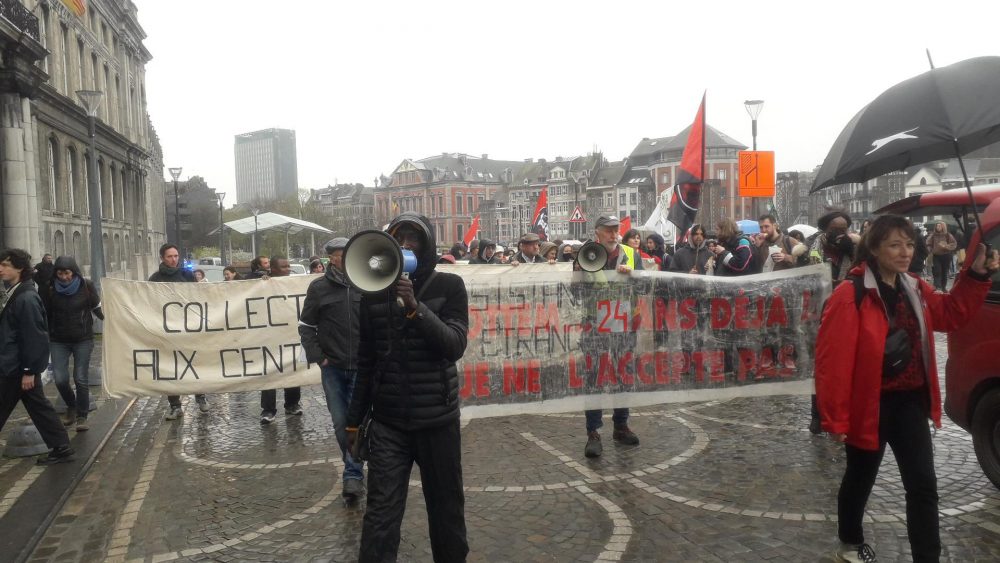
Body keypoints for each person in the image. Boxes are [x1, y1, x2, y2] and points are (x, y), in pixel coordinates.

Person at [816, 214, 998, 563]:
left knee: (923, 486)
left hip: (911, 402)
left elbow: (950, 313)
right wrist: (835, 420)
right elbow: (832, 363)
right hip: (870, 405)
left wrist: (977, 273)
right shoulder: (850, 294)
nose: (904, 252)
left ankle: (926, 557)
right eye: (895, 244)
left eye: (910, 244)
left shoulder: (915, 287)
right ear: (874, 248)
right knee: (860, 478)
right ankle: (851, 542)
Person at [346, 212, 469, 562]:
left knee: (446, 510)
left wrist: (415, 308)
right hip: (389, 424)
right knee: (381, 513)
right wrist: (354, 421)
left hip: (437, 422)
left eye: (414, 238)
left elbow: (453, 345)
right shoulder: (373, 294)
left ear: (427, 245)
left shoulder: (449, 287)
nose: (406, 245)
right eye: (400, 238)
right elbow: (366, 363)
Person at [299, 238, 365, 502]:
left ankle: (353, 474)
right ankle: (354, 462)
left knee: (355, 422)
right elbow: (306, 326)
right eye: (340, 255)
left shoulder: (366, 285)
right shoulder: (319, 289)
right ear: (331, 259)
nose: (344, 259)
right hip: (334, 368)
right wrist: (319, 357)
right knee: (340, 423)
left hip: (362, 367)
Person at [0, 249, 75, 465]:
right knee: (39, 407)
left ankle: (61, 447)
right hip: (16, 366)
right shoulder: (16, 293)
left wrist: (29, 371)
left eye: (5, 265)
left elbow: (34, 337)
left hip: (16, 368)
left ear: (19, 268)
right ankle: (61, 446)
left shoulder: (26, 298)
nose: (1, 269)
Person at [583, 215, 642, 458]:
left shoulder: (630, 253)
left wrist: (633, 278)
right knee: (595, 375)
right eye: (607, 230)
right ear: (597, 232)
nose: (613, 233)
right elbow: (576, 290)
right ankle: (593, 432)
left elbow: (644, 286)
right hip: (595, 323)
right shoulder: (588, 254)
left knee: (623, 374)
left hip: (623, 322)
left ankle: (621, 425)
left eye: (616, 229)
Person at [42, 256, 103, 432]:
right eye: (60, 273)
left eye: (67, 273)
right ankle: (71, 405)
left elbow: (96, 308)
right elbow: (44, 312)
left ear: (74, 272)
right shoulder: (50, 288)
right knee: (60, 379)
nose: (64, 277)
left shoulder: (86, 286)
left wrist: (110, 320)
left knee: (80, 378)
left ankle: (82, 416)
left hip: (82, 338)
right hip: (58, 339)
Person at [149, 244, 208, 419]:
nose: (174, 259)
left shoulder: (187, 275)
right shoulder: (155, 279)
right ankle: (175, 406)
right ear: (162, 258)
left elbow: (198, 298)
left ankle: (201, 396)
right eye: (169, 256)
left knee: (194, 362)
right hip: (167, 329)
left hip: (189, 326)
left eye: (176, 256)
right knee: (170, 367)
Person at [259, 255, 302, 424]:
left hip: (290, 333)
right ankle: (268, 409)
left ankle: (292, 404)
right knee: (270, 372)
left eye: (288, 266)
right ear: (273, 269)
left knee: (292, 369)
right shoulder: (263, 283)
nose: (288, 269)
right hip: (269, 336)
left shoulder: (295, 284)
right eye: (284, 267)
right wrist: (262, 283)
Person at [808, 211, 860, 286]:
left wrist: (851, 251)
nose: (839, 233)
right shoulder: (810, 245)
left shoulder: (853, 247)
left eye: (843, 230)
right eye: (834, 229)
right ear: (825, 229)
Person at [925, 221, 957, 292]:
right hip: (936, 256)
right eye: (937, 226)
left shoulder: (947, 235)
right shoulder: (933, 235)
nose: (938, 227)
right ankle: (937, 286)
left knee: (944, 272)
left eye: (939, 226)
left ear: (943, 226)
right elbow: (928, 243)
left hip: (946, 255)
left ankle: (943, 287)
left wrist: (947, 246)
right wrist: (930, 249)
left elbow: (954, 244)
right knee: (937, 271)